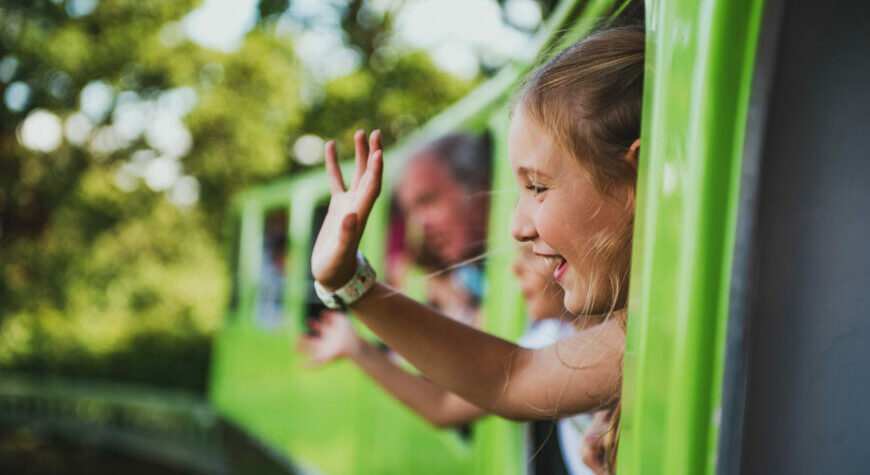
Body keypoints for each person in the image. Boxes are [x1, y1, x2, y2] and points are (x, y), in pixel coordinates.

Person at [309, 26, 643, 473]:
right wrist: (348, 282)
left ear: (635, 180)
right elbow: (511, 377)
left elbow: (507, 378)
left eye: (538, 187)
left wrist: (353, 287)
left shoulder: (651, 327)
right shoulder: (632, 333)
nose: (516, 229)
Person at [299, 243, 600, 473]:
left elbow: (442, 405)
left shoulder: (551, 341)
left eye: (531, 253)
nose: (514, 269)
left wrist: (357, 337)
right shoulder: (553, 335)